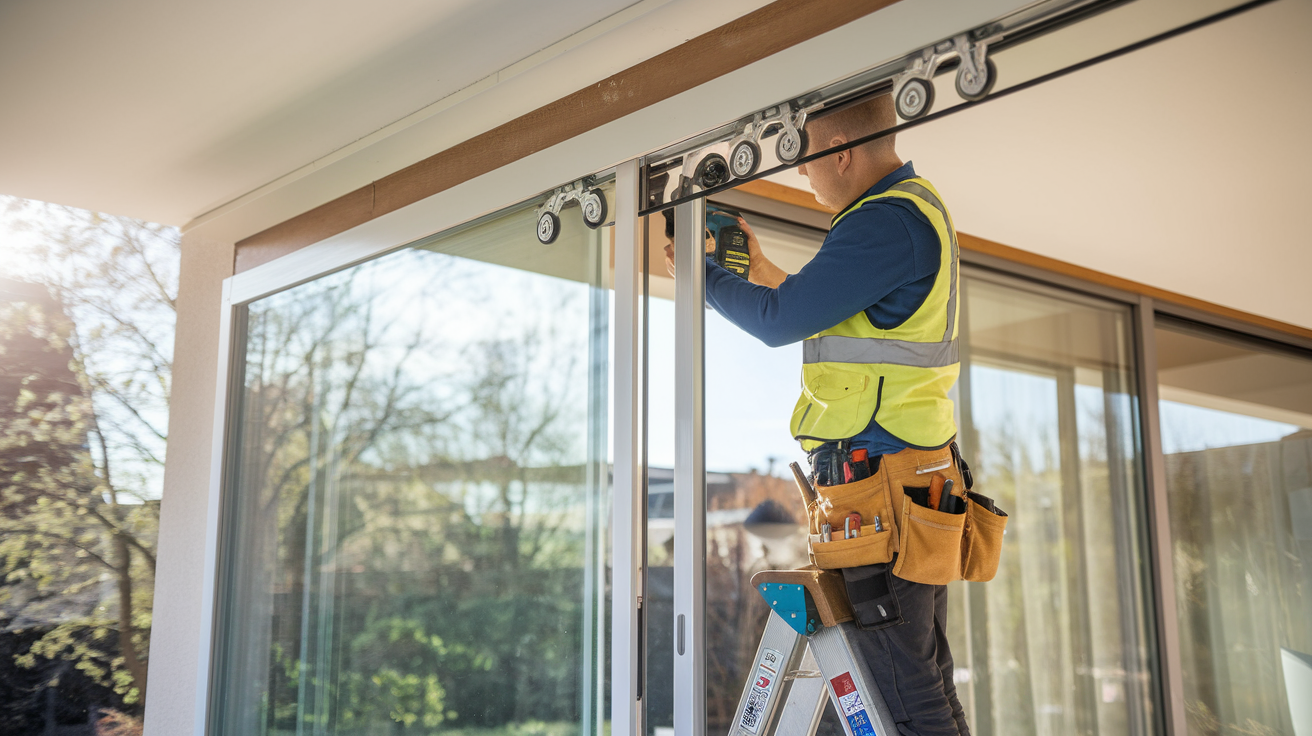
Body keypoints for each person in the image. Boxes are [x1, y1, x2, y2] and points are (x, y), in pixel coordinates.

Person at [665, 94, 975, 735]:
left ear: (841, 153)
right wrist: (751, 269)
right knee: (920, 683)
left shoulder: (886, 221)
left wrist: (705, 278)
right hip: (902, 478)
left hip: (881, 485)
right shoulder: (907, 214)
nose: (802, 174)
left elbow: (780, 321)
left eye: (806, 160)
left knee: (903, 692)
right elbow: (812, 307)